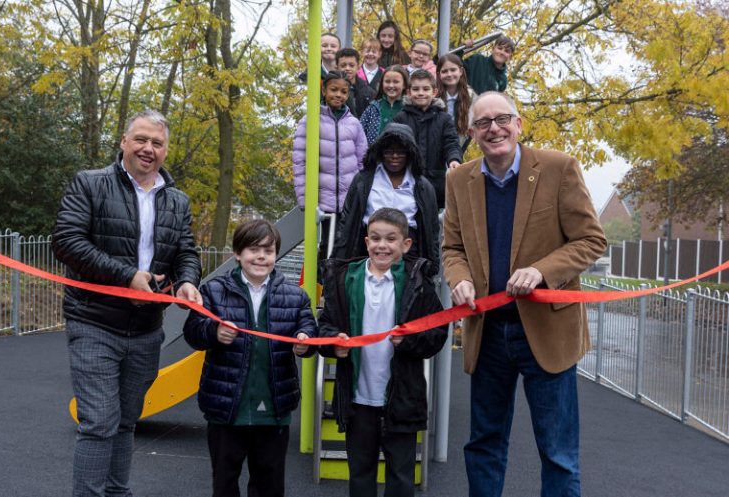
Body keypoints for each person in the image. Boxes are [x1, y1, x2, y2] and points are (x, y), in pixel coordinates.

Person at [442, 91, 607, 497]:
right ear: (472, 133)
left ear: (518, 124)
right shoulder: (458, 180)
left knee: (558, 453)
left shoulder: (559, 168)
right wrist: (458, 278)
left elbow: (591, 240)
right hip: (487, 332)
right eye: (483, 123)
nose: (494, 129)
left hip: (547, 333)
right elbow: (453, 248)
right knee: (484, 445)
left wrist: (541, 271)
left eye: (502, 119)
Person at [52, 109, 203, 497]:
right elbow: (67, 241)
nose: (148, 148)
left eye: (157, 143)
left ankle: (118, 492)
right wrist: (127, 276)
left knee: (126, 420)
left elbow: (186, 251)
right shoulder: (90, 184)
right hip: (94, 321)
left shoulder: (177, 200)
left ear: (165, 150)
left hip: (147, 329)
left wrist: (188, 281)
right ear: (123, 142)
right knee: (99, 421)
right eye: (141, 139)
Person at [183, 219, 317, 497]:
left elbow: (308, 328)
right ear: (237, 253)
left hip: (274, 410)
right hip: (226, 409)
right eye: (253, 249)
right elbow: (193, 332)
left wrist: (304, 341)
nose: (261, 257)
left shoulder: (295, 296)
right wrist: (213, 332)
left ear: (276, 254)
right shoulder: (213, 291)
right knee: (224, 483)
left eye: (268, 251)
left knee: (269, 486)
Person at [319, 207, 447, 497]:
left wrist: (409, 341)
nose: (382, 245)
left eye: (391, 239)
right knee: (360, 472)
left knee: (401, 475)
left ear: (406, 244)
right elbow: (325, 325)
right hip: (357, 399)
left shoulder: (418, 283)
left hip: (402, 398)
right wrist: (333, 344)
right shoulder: (345, 278)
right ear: (366, 242)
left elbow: (438, 333)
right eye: (375, 238)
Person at [332, 122, 440, 276]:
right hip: (367, 250)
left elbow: (432, 230)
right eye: (389, 151)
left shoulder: (423, 186)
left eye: (401, 152)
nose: (394, 156)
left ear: (410, 153)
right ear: (380, 152)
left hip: (409, 254)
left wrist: (432, 266)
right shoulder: (363, 181)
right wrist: (338, 259)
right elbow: (346, 221)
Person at [293, 71, 367, 258]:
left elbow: (363, 161)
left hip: (348, 200)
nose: (338, 95)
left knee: (347, 247)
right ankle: (322, 276)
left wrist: (362, 193)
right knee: (324, 248)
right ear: (324, 90)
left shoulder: (354, 124)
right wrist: (304, 198)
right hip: (322, 201)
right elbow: (300, 161)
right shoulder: (311, 120)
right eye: (334, 90)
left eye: (343, 92)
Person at [393, 69, 462, 208]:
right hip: (407, 181)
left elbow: (451, 143)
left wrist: (454, 159)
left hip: (436, 183)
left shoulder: (444, 119)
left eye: (425, 89)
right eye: (416, 89)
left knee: (434, 217)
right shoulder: (400, 118)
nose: (421, 93)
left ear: (434, 92)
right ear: (409, 92)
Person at [359, 64, 409, 145]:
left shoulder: (409, 109)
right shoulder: (373, 108)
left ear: (404, 85)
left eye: (396, 82)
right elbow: (359, 133)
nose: (391, 85)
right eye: (387, 81)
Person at [436, 53, 475, 151]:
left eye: (453, 70)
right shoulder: (434, 97)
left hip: (459, 144)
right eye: (444, 71)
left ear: (460, 71)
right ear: (439, 74)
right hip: (436, 145)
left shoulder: (471, 96)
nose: (449, 74)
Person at [337, 47, 377, 118]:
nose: (347, 68)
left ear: (358, 66)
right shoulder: (332, 90)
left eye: (351, 65)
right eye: (343, 66)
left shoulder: (368, 92)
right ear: (337, 67)